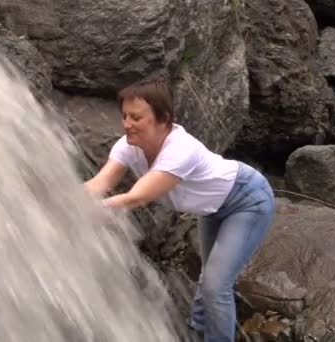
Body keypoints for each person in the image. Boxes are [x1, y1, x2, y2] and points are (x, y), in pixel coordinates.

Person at [84, 78, 275, 342]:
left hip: (247, 200)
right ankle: (196, 331)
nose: (126, 123)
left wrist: (83, 211)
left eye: (136, 117)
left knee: (216, 284)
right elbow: (100, 182)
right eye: (125, 116)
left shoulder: (181, 149)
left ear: (162, 119)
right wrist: (67, 198)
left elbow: (137, 197)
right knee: (208, 277)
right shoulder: (127, 146)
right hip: (212, 209)